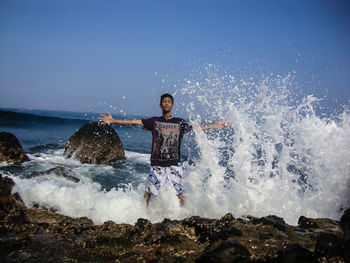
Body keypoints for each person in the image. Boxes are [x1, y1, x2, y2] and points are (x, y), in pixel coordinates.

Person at [99, 93, 227, 207]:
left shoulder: (180, 122)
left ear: (172, 105)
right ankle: (143, 213)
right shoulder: (154, 121)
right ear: (160, 105)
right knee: (148, 191)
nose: (166, 103)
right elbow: (134, 122)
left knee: (179, 192)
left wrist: (217, 125)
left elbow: (198, 128)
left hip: (174, 163)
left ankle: (182, 215)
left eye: (169, 102)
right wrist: (114, 120)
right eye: (164, 101)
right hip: (157, 164)